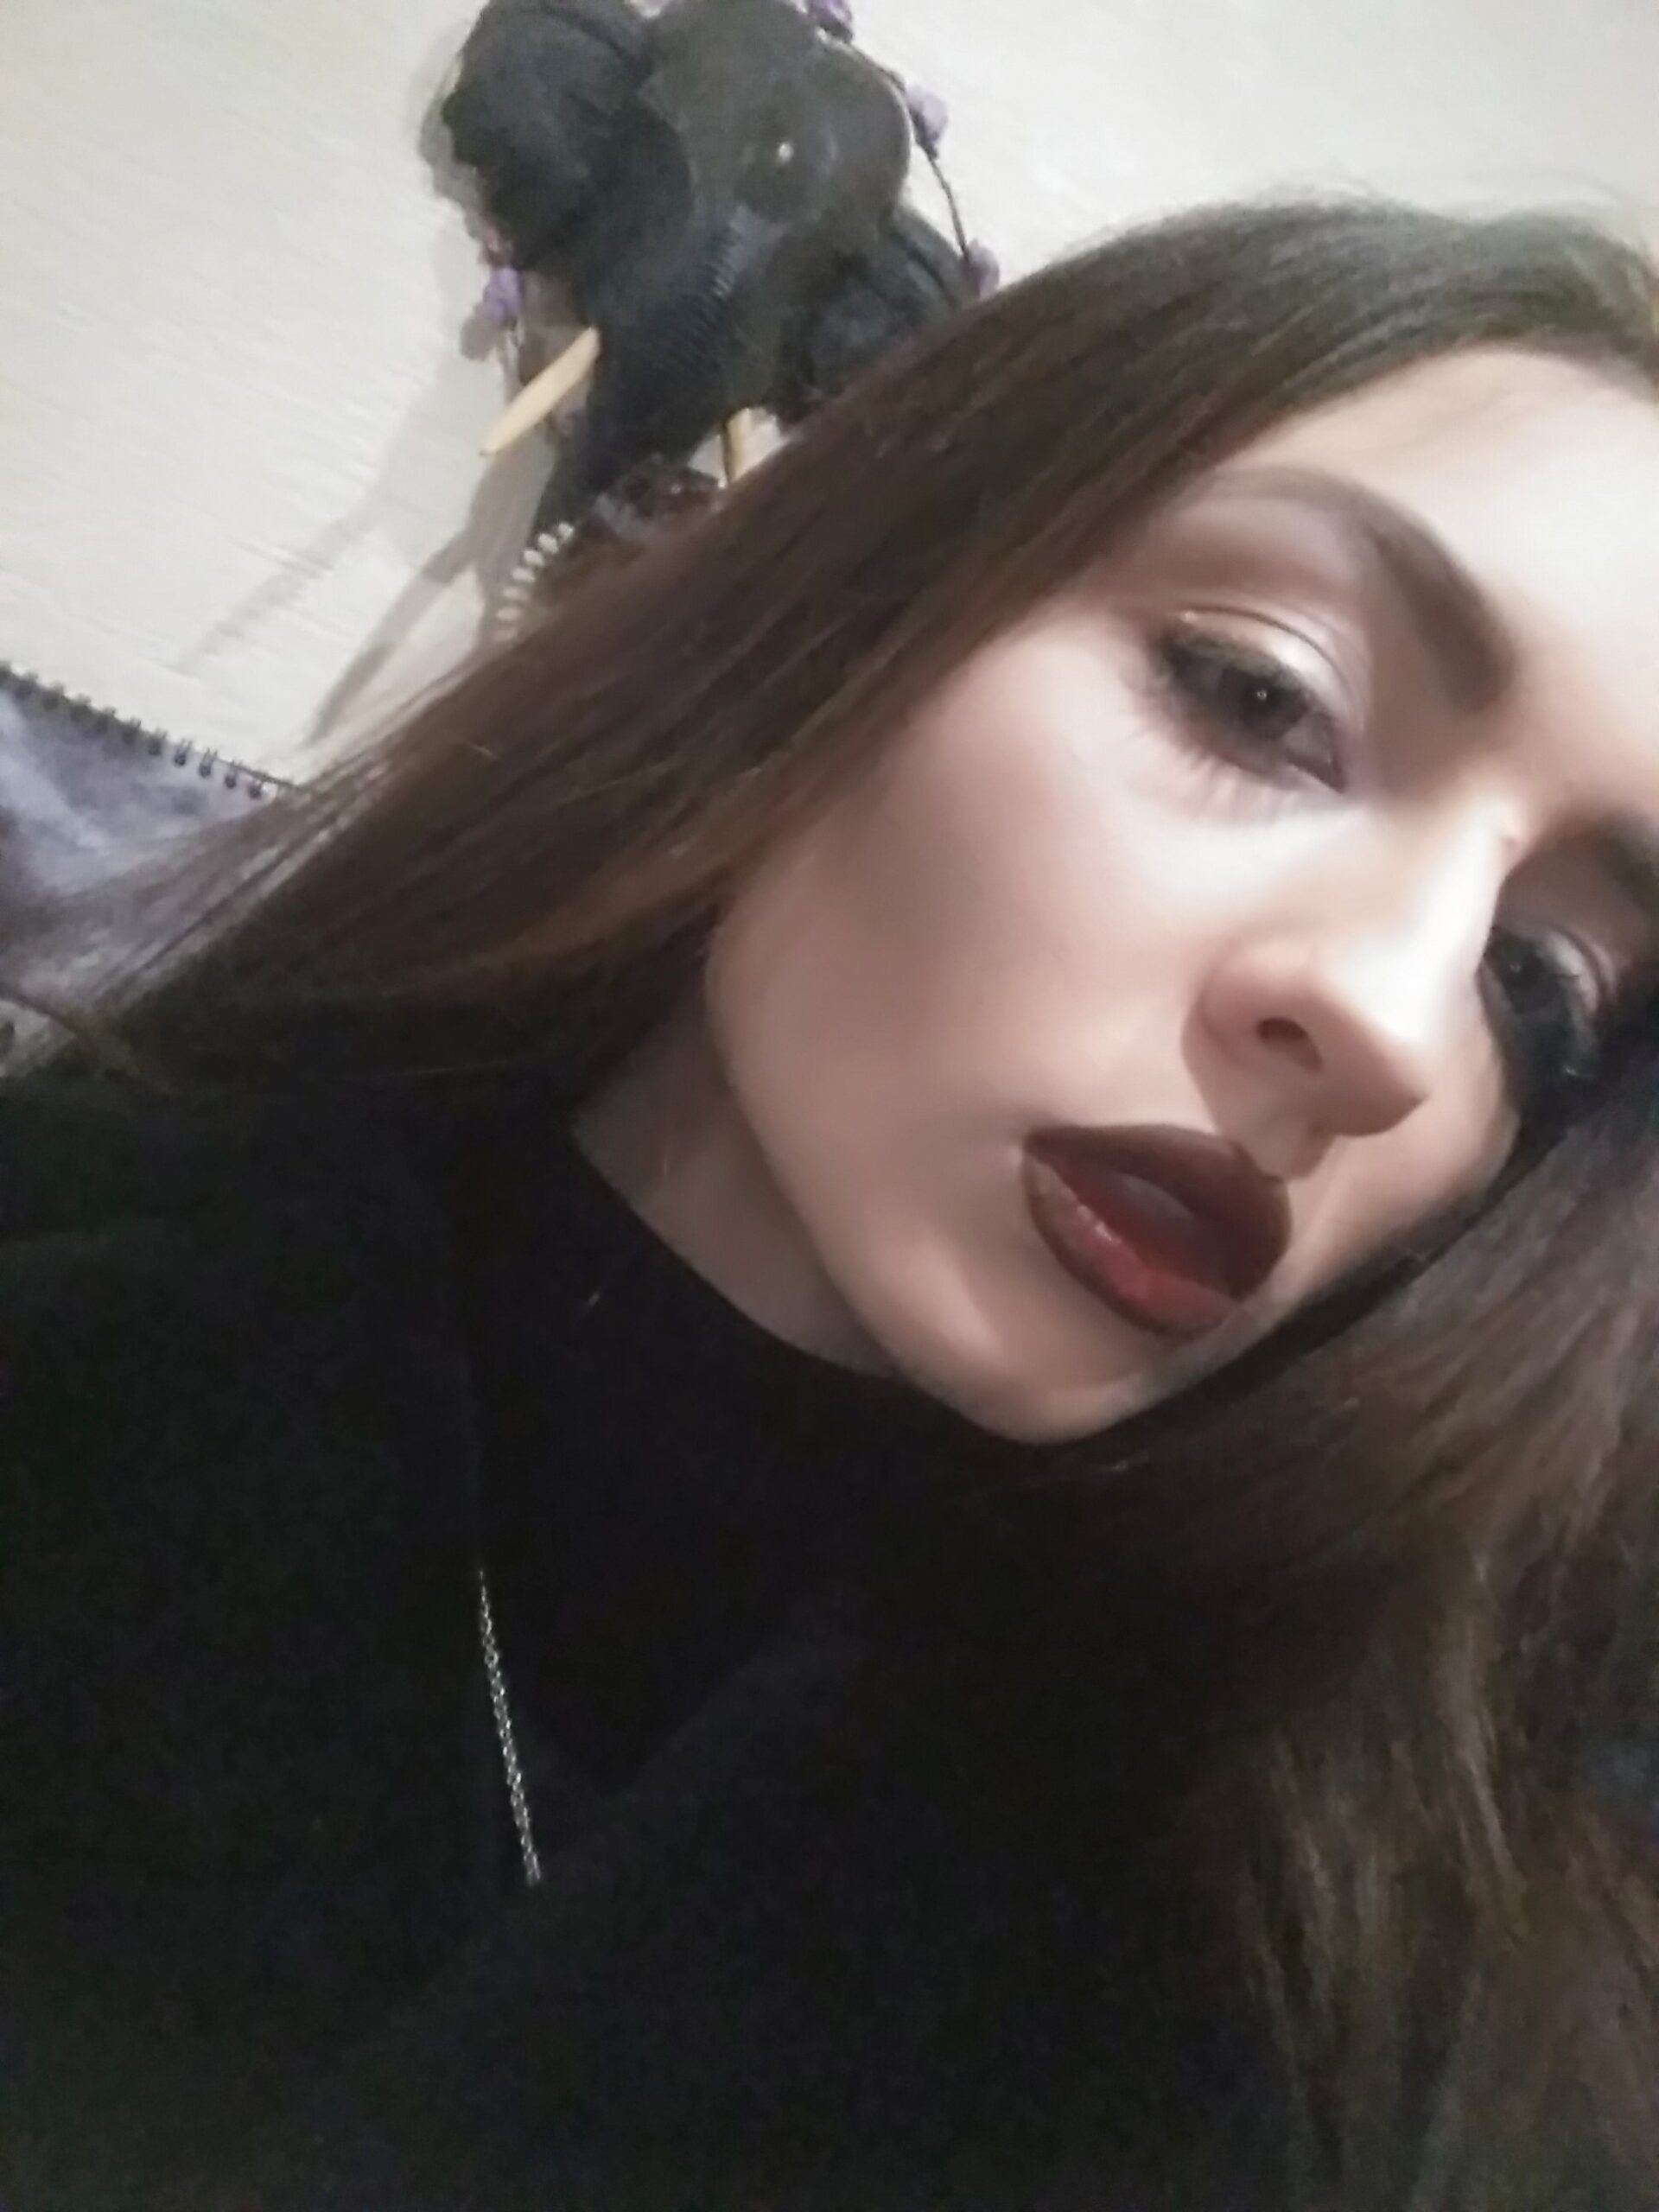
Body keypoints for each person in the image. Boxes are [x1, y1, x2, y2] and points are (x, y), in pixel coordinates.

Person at [7, 197, 1659, 2212]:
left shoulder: (1403, 2018)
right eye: (1254, 692)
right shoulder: (81, 1318)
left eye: (1539, 988)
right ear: (864, 605)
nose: (1397, 1024)